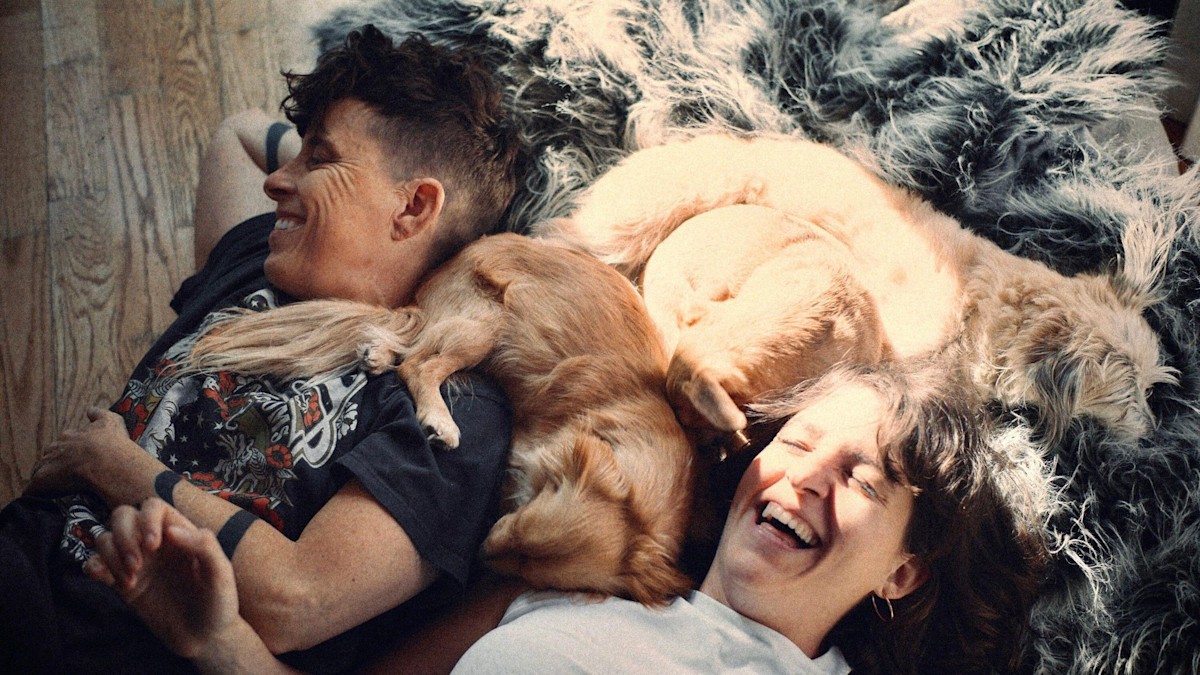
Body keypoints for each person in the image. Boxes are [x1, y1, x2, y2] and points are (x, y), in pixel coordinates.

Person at [0, 25, 525, 674]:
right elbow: (238, 135)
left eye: (320, 159)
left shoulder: (451, 409)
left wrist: (113, 465)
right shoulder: (257, 259)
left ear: (415, 206)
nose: (277, 180)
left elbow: (297, 599)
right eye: (295, 157)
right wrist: (326, 166)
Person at [85, 363, 1047, 674]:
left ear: (903, 570)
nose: (802, 479)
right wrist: (217, 640)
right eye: (796, 441)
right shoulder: (581, 579)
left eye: (864, 479)